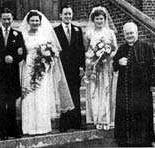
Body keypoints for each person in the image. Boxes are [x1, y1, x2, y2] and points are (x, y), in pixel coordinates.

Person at [19, 10, 74, 135]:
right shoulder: (23, 35)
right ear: (28, 22)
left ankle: (42, 126)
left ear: (40, 22)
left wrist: (47, 63)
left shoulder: (45, 35)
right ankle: (29, 127)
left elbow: (53, 52)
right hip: (28, 66)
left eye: (37, 21)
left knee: (41, 95)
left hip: (43, 69)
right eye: (32, 20)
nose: (35, 23)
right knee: (29, 95)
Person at [113, 22, 155, 147]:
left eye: (131, 33)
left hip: (141, 89)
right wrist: (118, 62)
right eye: (127, 34)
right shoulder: (121, 48)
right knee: (125, 113)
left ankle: (144, 141)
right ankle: (125, 140)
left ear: (137, 33)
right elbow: (114, 66)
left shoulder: (147, 47)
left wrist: (153, 84)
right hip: (125, 89)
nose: (129, 36)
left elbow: (154, 66)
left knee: (142, 114)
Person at [0, 8, 26, 140]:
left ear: (12, 19)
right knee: (1, 103)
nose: (7, 21)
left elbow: (22, 53)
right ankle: (2, 131)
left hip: (12, 75)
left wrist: (14, 58)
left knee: (12, 103)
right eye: (4, 19)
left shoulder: (17, 34)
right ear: (0, 19)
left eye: (9, 19)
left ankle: (12, 129)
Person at [84, 6, 118, 130]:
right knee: (94, 91)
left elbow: (115, 49)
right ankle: (95, 118)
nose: (99, 21)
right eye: (97, 19)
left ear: (105, 19)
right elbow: (86, 49)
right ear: (93, 20)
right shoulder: (89, 33)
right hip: (94, 66)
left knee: (106, 90)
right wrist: (92, 59)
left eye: (101, 19)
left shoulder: (110, 33)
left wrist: (107, 56)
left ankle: (105, 119)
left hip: (106, 66)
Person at [54, 4, 85, 132]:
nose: (68, 16)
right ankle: (65, 123)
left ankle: (76, 122)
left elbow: (81, 49)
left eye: (70, 14)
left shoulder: (78, 30)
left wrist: (82, 66)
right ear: (61, 15)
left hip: (75, 68)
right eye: (65, 14)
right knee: (64, 94)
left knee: (75, 93)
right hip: (62, 67)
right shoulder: (55, 31)